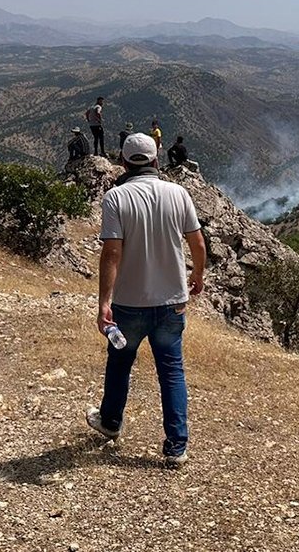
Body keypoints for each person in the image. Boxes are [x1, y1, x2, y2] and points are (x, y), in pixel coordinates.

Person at [86, 133, 206, 468]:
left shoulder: (115, 198)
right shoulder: (178, 193)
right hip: (172, 302)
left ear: (124, 163)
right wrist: (197, 276)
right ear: (156, 159)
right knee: (171, 371)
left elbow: (112, 253)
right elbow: (197, 242)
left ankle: (110, 423)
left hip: (129, 302)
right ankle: (176, 446)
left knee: (120, 363)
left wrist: (104, 303)